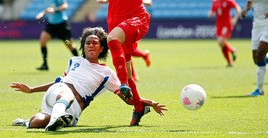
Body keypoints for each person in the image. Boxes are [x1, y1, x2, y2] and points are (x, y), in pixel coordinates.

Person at [84, 0, 219, 122]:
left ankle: (122, 83)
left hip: (137, 20)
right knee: (128, 70)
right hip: (115, 22)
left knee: (112, 39)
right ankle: (139, 108)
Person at [10, 27, 167, 131]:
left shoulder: (106, 73)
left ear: (102, 48)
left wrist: (149, 103)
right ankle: (57, 117)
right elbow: (59, 83)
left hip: (73, 112)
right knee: (66, 93)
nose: (91, 46)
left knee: (37, 122)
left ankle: (30, 121)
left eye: (95, 43)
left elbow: (127, 98)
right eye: (87, 43)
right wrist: (31, 90)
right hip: (58, 94)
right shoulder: (74, 61)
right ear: (83, 47)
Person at [96, 0, 152, 81]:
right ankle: (133, 74)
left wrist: (139, 0)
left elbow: (149, 2)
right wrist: (104, 0)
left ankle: (131, 76)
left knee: (127, 49)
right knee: (125, 49)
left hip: (134, 24)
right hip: (120, 21)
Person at [35, 0, 78, 71]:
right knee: (43, 41)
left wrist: (55, 10)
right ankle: (45, 64)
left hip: (62, 25)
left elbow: (65, 6)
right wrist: (42, 14)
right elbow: (48, 9)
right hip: (51, 25)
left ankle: (80, 63)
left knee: (69, 44)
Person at [208, 0, 241, 67]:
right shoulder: (215, 1)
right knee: (221, 44)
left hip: (227, 24)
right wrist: (210, 14)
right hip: (219, 24)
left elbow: (238, 8)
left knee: (220, 41)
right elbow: (212, 11)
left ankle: (231, 52)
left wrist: (235, 19)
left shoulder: (228, 0)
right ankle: (230, 59)